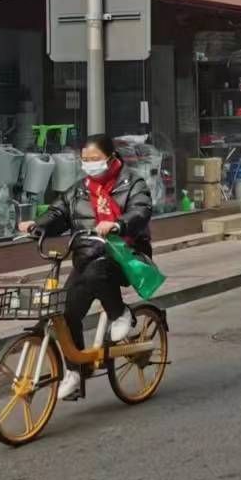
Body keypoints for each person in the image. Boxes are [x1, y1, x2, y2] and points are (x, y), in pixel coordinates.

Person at [18, 134, 152, 401]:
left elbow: (141, 210)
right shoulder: (79, 189)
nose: (89, 164)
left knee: (97, 272)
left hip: (125, 256)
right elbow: (58, 213)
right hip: (87, 255)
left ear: (110, 158)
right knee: (65, 311)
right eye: (85, 160)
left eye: (95, 159)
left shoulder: (133, 182)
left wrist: (118, 224)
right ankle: (75, 372)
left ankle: (120, 313)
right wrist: (38, 225)